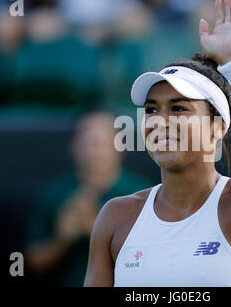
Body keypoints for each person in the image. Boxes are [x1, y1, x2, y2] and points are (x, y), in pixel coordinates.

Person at [84, 0, 231, 287]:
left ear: (217, 128)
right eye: (152, 109)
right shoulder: (115, 216)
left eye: (178, 109)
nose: (160, 122)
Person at [25, 110, 152, 286]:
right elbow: (28, 266)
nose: (95, 150)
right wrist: (61, 240)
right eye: (88, 141)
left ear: (121, 146)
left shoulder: (142, 193)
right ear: (73, 146)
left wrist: (95, 228)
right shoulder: (54, 194)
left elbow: (154, 261)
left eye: (102, 141)